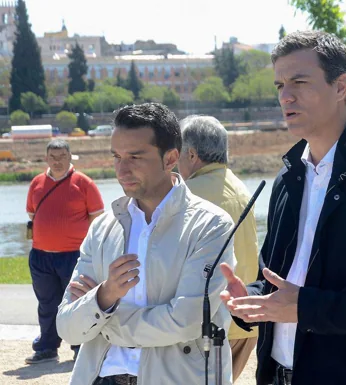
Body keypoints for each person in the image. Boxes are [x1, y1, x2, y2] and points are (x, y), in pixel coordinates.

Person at [220, 31, 346, 385]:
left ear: (341, 86)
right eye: (280, 84)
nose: (286, 95)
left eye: (299, 81)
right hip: (277, 375)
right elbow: (278, 278)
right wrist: (251, 300)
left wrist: (304, 307)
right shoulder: (288, 177)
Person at [56, 103, 236, 385]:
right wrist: (104, 295)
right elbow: (67, 327)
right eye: (116, 157)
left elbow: (186, 322)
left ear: (171, 158)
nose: (122, 169)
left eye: (135, 157)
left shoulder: (210, 225)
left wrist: (102, 317)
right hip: (98, 377)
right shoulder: (103, 227)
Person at [179, 115, 260, 381]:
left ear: (191, 154)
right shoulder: (239, 185)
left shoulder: (188, 194)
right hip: (246, 320)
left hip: (212, 324)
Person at [25, 138, 104, 364]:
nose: (57, 161)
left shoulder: (84, 183)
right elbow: (32, 215)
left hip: (74, 256)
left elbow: (97, 219)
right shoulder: (36, 183)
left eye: (62, 157)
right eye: (53, 157)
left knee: (77, 302)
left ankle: (80, 347)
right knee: (47, 302)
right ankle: (47, 348)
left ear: (70, 157)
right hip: (41, 255)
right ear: (46, 159)